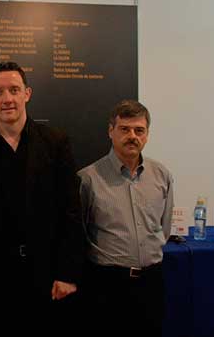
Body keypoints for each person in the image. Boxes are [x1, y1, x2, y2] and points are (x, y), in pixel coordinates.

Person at [0, 62, 84, 335]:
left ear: (27, 93)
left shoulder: (55, 141)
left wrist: (67, 273)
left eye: (14, 90)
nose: (7, 99)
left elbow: (71, 211)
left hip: (46, 274)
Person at [78, 99, 174, 337]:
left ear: (147, 135)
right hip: (107, 285)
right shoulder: (88, 179)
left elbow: (165, 226)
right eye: (125, 129)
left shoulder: (162, 175)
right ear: (111, 131)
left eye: (139, 130)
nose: (132, 136)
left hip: (151, 283)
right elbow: (79, 233)